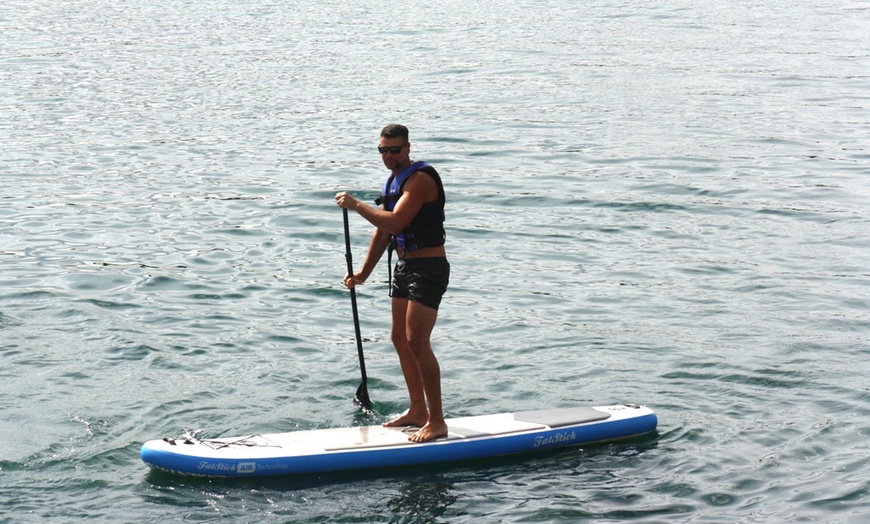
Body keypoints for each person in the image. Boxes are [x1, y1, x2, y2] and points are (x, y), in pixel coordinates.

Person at [335, 124, 449, 443]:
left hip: (429, 268)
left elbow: (397, 221)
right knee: (399, 337)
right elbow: (383, 232)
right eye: (383, 151)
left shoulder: (421, 179)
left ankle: (437, 420)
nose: (389, 156)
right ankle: (417, 411)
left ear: (408, 148)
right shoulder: (393, 181)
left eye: (394, 150)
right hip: (404, 267)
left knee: (416, 341)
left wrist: (357, 205)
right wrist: (362, 274)